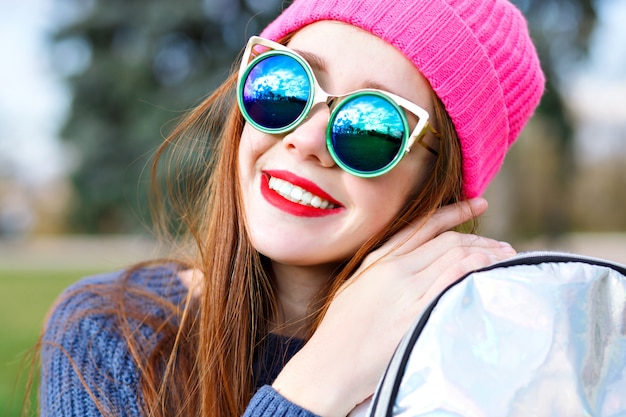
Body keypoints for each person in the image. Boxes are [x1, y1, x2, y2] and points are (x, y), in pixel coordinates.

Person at [38, 0, 545, 416]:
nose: (305, 140)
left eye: (373, 127)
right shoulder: (114, 331)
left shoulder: (476, 375)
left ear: (440, 187)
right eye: (288, 85)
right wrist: (320, 380)